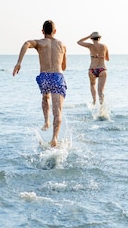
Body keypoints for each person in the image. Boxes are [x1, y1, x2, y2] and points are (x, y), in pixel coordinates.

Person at [13, 20, 67, 148]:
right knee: (58, 112)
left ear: (43, 32)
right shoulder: (62, 45)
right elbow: (64, 66)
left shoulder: (40, 43)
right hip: (57, 76)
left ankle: (46, 121)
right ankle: (54, 138)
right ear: (55, 31)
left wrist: (19, 62)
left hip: (44, 77)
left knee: (45, 97)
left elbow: (26, 43)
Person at [77, 32, 109, 105]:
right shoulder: (104, 46)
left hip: (92, 70)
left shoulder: (90, 46)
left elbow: (79, 42)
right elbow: (107, 58)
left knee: (92, 85)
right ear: (99, 38)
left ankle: (94, 101)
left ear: (91, 38)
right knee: (100, 91)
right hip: (102, 69)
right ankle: (101, 107)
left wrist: (88, 36)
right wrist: (101, 56)